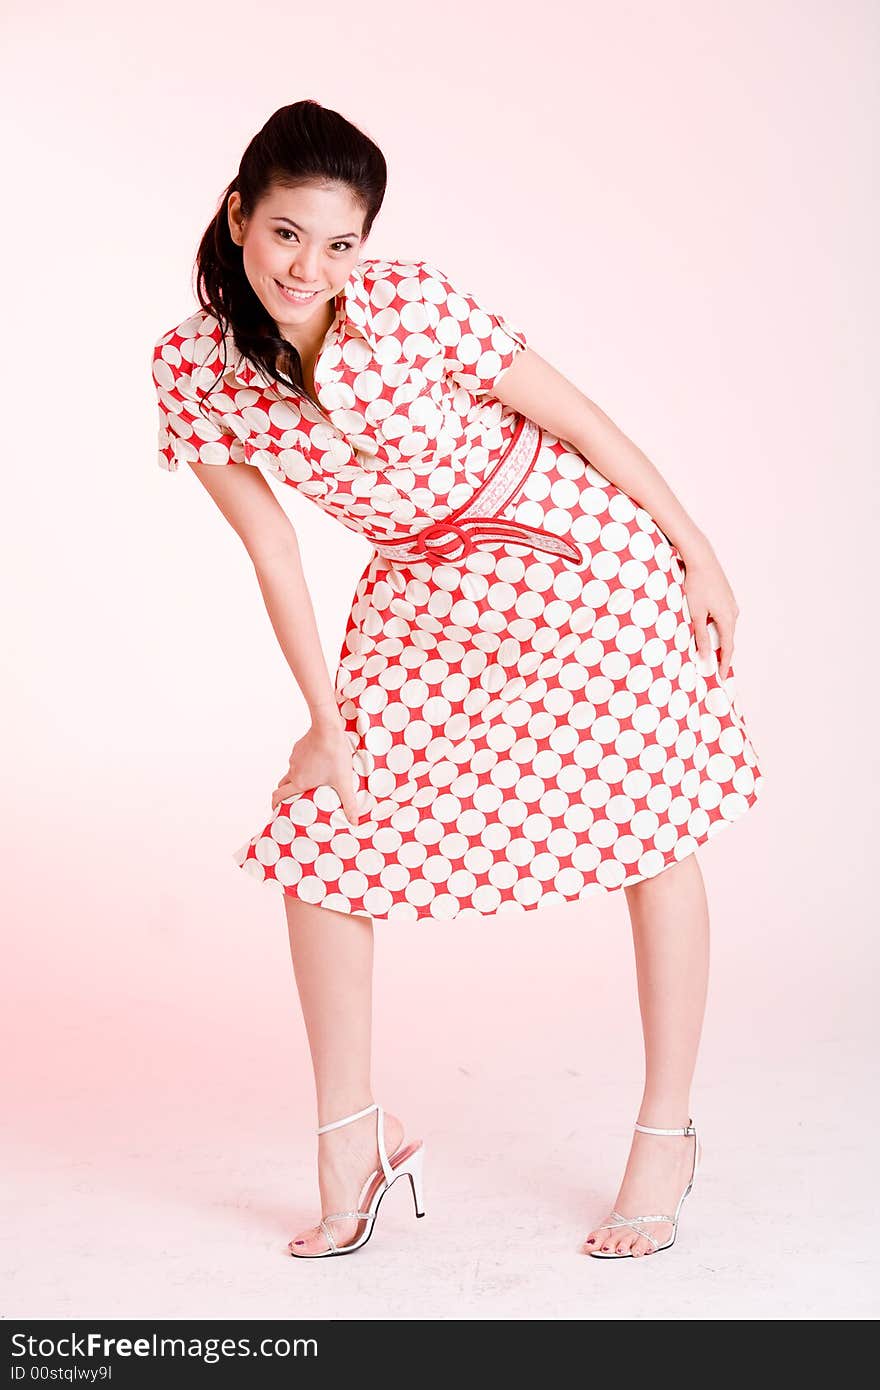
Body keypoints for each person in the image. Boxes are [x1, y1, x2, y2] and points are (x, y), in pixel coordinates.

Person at [151, 99, 764, 1261]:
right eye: (286, 233)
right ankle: (351, 1141)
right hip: (424, 592)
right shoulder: (192, 367)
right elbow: (274, 549)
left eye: (339, 244)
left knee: (651, 829)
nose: (310, 267)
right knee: (324, 839)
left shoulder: (416, 303)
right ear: (238, 215)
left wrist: (696, 550)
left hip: (575, 554)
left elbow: (579, 419)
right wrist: (322, 725)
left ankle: (665, 1131)